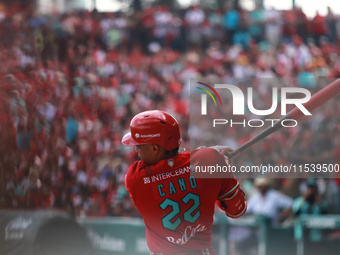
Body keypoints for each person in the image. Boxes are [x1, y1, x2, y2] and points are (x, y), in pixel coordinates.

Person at [121, 110, 247, 255]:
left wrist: (209, 155)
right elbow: (237, 211)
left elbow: (173, 167)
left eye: (139, 145)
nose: (136, 149)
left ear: (155, 148)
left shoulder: (135, 178)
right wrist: (221, 165)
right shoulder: (209, 160)